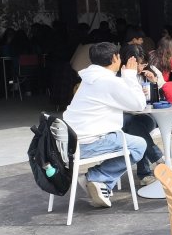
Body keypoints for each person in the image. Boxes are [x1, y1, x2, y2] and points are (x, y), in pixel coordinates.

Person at [62, 42, 147, 208]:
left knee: (134, 130)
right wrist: (130, 76)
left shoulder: (88, 79)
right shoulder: (108, 81)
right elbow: (139, 105)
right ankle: (96, 177)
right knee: (139, 145)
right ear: (115, 58)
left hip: (68, 142)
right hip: (87, 143)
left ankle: (101, 183)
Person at [119, 44, 165, 186]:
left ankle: (148, 171)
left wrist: (154, 83)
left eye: (143, 64)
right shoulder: (119, 76)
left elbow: (159, 100)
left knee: (137, 127)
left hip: (145, 117)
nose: (140, 68)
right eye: (137, 64)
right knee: (135, 126)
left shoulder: (151, 71)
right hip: (125, 118)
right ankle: (157, 160)